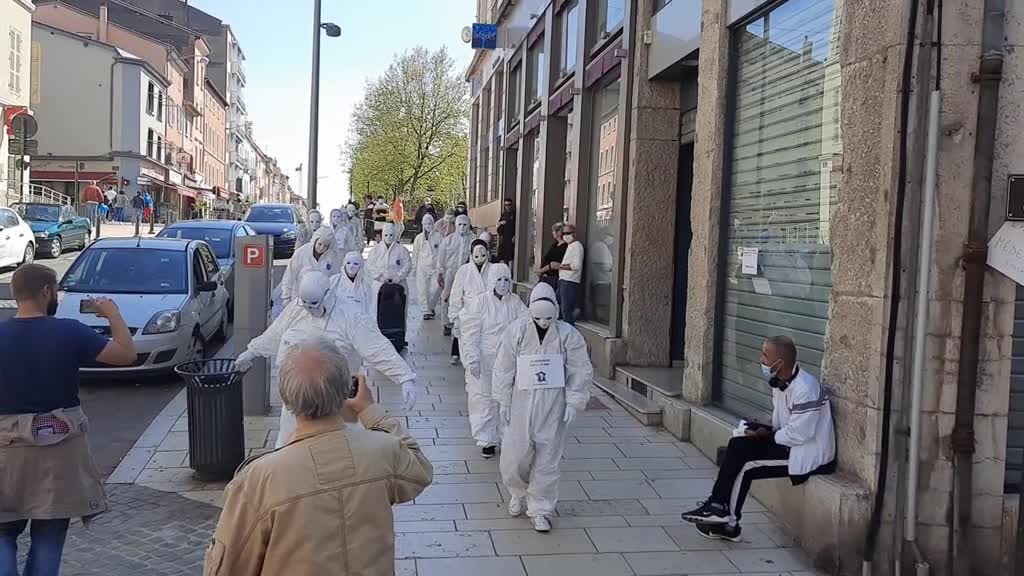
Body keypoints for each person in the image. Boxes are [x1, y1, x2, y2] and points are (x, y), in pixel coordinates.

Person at [208, 338, 432, 576]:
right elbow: (419, 469)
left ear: (286, 396)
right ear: (345, 389)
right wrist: (369, 411)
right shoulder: (383, 451)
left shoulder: (260, 479)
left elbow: (227, 567)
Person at [0, 265, 137, 575]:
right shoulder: (69, 331)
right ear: (47, 292)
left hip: (6, 451)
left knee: (3, 535)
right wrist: (112, 314)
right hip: (57, 452)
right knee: (48, 537)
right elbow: (125, 354)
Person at [235, 272, 418, 447]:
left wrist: (404, 377)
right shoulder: (297, 309)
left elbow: (376, 347)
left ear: (328, 295)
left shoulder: (351, 314)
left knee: (345, 443)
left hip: (339, 395)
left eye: (314, 303)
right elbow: (275, 333)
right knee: (288, 441)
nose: (310, 308)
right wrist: (251, 352)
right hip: (300, 394)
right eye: (305, 304)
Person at [681, 336, 836, 541]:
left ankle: (728, 523)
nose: (761, 359)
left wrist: (768, 435)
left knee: (747, 464)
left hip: (809, 453)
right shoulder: (780, 382)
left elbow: (801, 434)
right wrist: (761, 428)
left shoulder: (805, 388)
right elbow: (785, 424)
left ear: (779, 363)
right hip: (789, 442)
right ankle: (718, 507)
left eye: (765, 354)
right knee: (737, 445)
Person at [492, 282, 592, 532]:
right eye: (539, 318)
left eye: (549, 318)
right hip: (520, 404)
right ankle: (517, 492)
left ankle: (541, 508)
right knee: (515, 456)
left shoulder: (568, 335)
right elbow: (504, 368)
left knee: (548, 459)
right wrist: (503, 401)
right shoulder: (516, 331)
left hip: (552, 405)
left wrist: (574, 400)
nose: (544, 323)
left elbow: (580, 369)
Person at [460, 264, 527, 458]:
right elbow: (470, 331)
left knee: (506, 399)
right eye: (499, 280)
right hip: (485, 359)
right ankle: (486, 439)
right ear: (491, 281)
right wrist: (472, 359)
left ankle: (506, 437)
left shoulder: (515, 303)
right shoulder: (479, 303)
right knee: (483, 398)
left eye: (507, 279)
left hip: (508, 360)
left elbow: (525, 324)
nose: (503, 284)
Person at [448, 238, 491, 365]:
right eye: (477, 255)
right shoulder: (464, 270)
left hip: (488, 313)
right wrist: (455, 316)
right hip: (468, 313)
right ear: (471, 254)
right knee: (467, 344)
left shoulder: (493, 269)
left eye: (483, 255)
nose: (480, 258)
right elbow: (456, 294)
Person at [279, 226, 342, 306]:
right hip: (299, 299)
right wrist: (286, 297)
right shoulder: (302, 252)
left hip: (322, 300)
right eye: (319, 244)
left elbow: (336, 277)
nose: (321, 248)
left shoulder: (332, 257)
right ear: (315, 240)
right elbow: (290, 275)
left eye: (325, 246)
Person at [367, 222, 412, 304]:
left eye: (391, 235)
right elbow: (370, 264)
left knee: (398, 309)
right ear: (382, 235)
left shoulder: (401, 250)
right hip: (379, 284)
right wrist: (379, 276)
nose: (388, 238)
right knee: (377, 308)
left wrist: (399, 276)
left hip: (399, 284)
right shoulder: (376, 250)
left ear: (394, 235)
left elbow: (408, 264)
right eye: (386, 235)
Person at [412, 214, 441, 319]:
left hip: (435, 268)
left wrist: (441, 267)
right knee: (423, 289)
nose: (428, 226)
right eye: (426, 224)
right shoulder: (419, 239)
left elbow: (442, 253)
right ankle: (426, 311)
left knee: (435, 289)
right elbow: (415, 254)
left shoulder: (438, 237)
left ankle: (431, 307)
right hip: (422, 267)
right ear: (422, 225)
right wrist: (414, 268)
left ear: (433, 224)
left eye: (430, 224)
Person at [332, 251, 374, 318]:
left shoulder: (367, 285)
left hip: (359, 324)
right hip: (338, 324)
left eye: (356, 264)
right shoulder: (334, 281)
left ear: (361, 266)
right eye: (348, 263)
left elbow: (371, 309)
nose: (351, 266)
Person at [558, 224, 584, 325]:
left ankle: (569, 330)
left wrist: (560, 266)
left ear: (574, 234)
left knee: (566, 310)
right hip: (563, 280)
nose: (565, 235)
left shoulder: (577, 246)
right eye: (563, 233)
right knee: (559, 305)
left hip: (569, 281)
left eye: (567, 233)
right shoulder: (570, 246)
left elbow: (576, 265)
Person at [538, 222, 568, 292]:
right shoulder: (555, 244)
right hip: (545, 277)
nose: (552, 233)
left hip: (553, 279)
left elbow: (554, 264)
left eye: (553, 231)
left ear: (558, 232)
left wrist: (541, 270)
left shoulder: (564, 247)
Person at [497, 198, 516, 265]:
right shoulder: (503, 214)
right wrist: (500, 224)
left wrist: (514, 236)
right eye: (506, 205)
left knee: (510, 255)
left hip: (511, 237)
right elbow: (499, 227)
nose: (507, 207)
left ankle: (510, 271)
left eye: (509, 205)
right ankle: (503, 269)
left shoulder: (514, 214)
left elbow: (516, 226)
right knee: (501, 254)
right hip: (504, 237)